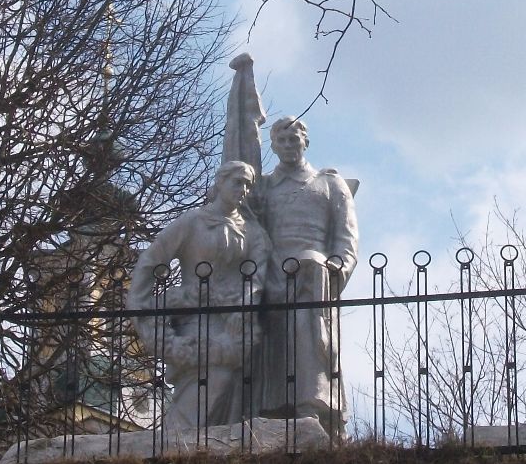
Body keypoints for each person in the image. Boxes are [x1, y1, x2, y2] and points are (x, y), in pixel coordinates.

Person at [128, 160, 270, 431]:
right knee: (204, 387)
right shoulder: (193, 221)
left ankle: (197, 451)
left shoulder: (253, 233)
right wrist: (140, 305)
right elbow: (152, 259)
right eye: (237, 182)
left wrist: (245, 304)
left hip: (232, 325)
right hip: (193, 321)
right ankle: (177, 446)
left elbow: (259, 276)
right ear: (220, 183)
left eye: (248, 185)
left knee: (228, 391)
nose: (243, 189)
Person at [250, 116, 359, 436]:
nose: (288, 147)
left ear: (305, 142)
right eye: (281, 142)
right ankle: (270, 408)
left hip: (315, 277)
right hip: (272, 276)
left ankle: (312, 403)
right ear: (272, 146)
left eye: (293, 140)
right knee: (273, 342)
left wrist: (335, 269)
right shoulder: (264, 187)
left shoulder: (329, 184)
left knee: (308, 330)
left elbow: (346, 239)